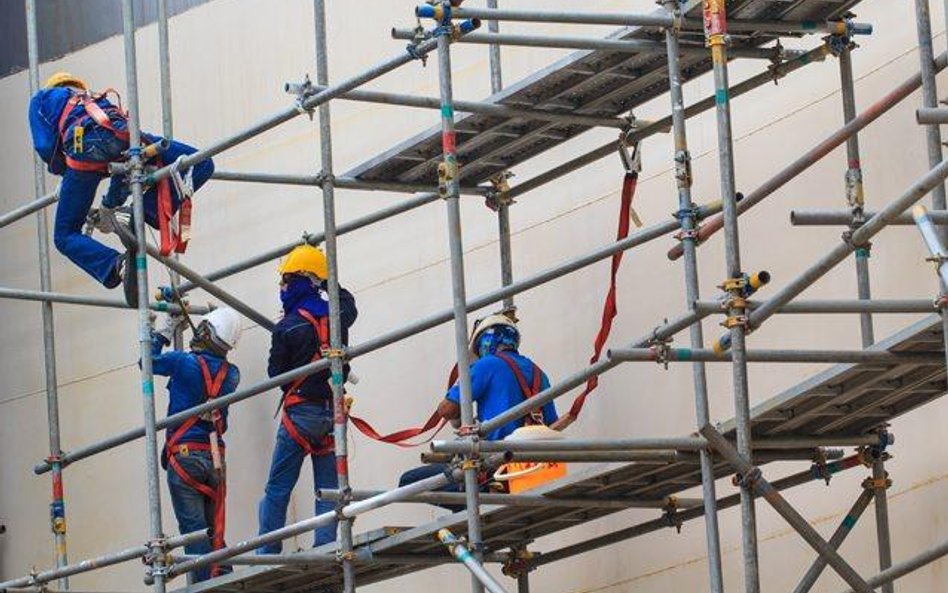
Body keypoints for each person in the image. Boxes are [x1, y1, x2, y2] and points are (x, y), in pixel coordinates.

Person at [28, 71, 214, 304]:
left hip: (83, 151)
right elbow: (124, 168)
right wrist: (110, 206)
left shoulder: (41, 98)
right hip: (124, 137)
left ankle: (116, 265)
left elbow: (45, 146)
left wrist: (63, 172)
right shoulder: (95, 99)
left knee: (65, 235)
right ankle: (139, 212)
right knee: (202, 163)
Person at [257, 245, 358, 552]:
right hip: (331, 414)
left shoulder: (287, 326)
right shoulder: (338, 315)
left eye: (286, 280)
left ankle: (268, 551)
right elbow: (348, 302)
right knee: (327, 489)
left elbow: (277, 373)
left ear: (300, 281)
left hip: (300, 414)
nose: (282, 287)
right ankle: (326, 546)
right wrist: (326, 280)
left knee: (278, 487)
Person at [398, 314, 560, 504]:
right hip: (531, 471)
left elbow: (447, 410)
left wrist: (464, 376)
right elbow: (552, 424)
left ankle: (472, 523)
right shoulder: (539, 373)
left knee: (408, 482)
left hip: (494, 471)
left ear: (486, 341)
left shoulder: (487, 365)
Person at [150, 307, 242, 583]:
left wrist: (164, 331)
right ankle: (223, 577)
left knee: (194, 531)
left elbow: (148, 361)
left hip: (184, 456)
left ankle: (207, 586)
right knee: (215, 529)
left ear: (207, 334)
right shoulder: (232, 374)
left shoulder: (183, 363)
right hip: (213, 457)